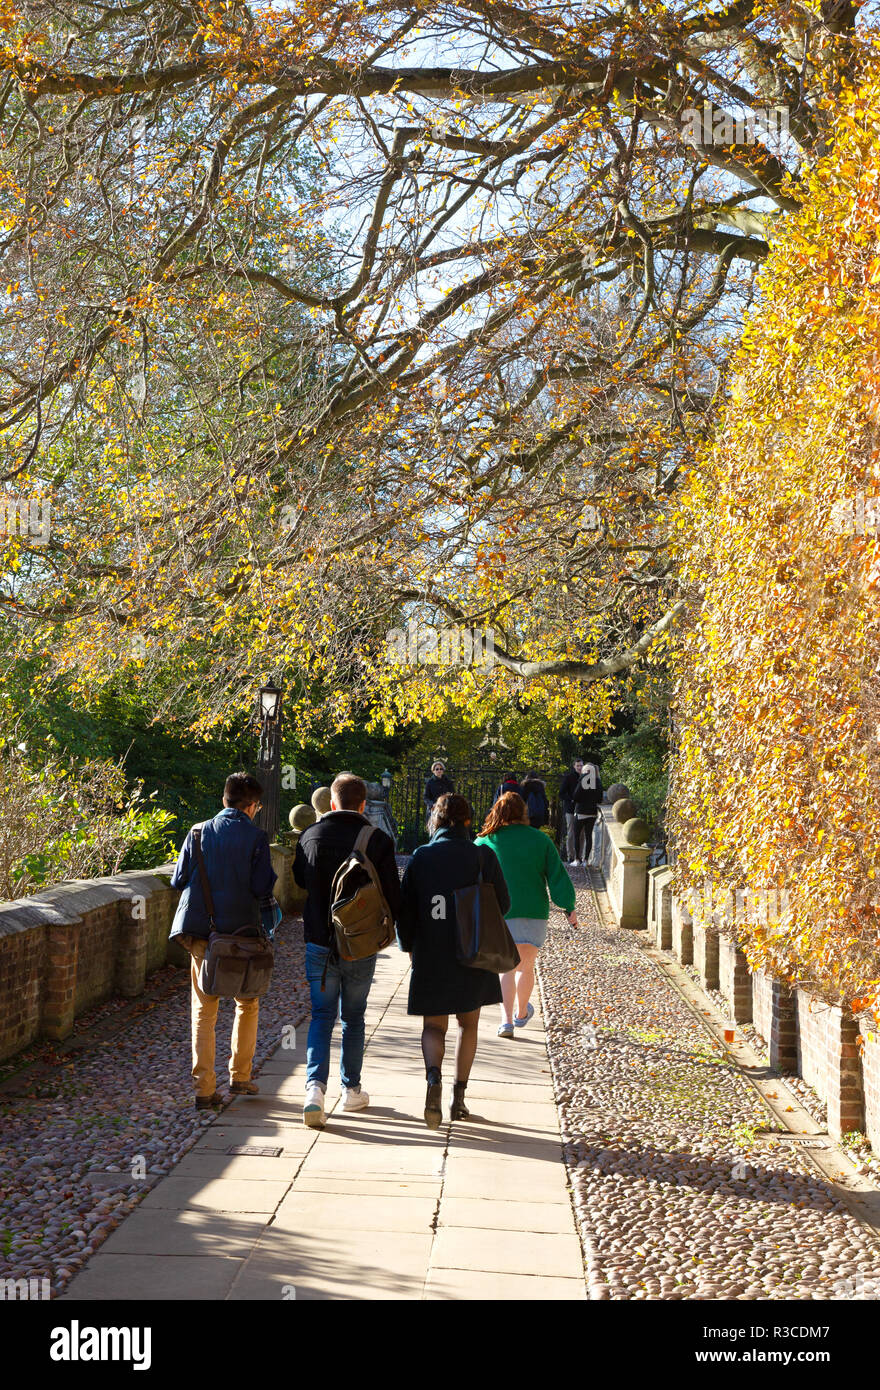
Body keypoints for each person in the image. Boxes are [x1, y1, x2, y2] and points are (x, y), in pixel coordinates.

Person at [293, 773, 401, 1128]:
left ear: (332, 803)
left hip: (319, 940)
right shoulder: (379, 840)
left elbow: (298, 880)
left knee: (321, 1016)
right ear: (363, 804)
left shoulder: (309, 836)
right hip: (360, 943)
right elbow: (392, 895)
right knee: (353, 1018)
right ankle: (352, 1090)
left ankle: (314, 1090)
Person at [397, 793, 510, 1128]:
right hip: (472, 951)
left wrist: (409, 945)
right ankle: (459, 1098)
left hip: (431, 951)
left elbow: (407, 910)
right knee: (468, 1025)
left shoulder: (422, 857)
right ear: (467, 821)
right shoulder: (482, 857)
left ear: (437, 820)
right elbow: (502, 904)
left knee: (434, 1026)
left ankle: (433, 1080)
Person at [169, 773, 277, 1109]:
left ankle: (204, 1090)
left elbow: (178, 879)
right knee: (247, 1003)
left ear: (224, 799)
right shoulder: (256, 838)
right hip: (244, 934)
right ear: (252, 806)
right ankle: (240, 1076)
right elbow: (263, 888)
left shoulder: (198, 832)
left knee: (204, 1012)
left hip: (205, 934)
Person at [475, 792, 577, 1039]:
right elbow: (557, 877)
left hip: (499, 913)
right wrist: (569, 908)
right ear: (523, 812)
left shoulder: (484, 842)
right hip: (534, 912)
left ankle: (506, 1021)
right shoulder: (540, 840)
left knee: (505, 969)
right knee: (526, 966)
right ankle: (522, 1013)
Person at [572, 760, 603, 866]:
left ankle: (577, 859)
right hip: (592, 812)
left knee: (576, 835)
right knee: (588, 836)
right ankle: (586, 860)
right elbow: (600, 799)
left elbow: (575, 796)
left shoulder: (582, 779)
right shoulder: (597, 781)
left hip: (581, 811)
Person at [559, 757, 583, 863]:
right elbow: (561, 793)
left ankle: (580, 856)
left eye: (581, 765)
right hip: (570, 809)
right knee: (571, 832)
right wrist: (571, 799)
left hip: (583, 809)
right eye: (577, 765)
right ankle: (570, 856)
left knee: (581, 833)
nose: (579, 767)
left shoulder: (586, 777)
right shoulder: (568, 778)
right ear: (574, 766)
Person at [424, 760, 454, 830]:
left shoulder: (448, 782)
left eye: (441, 769)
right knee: (433, 830)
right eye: (437, 769)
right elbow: (426, 797)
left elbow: (453, 794)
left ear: (443, 771)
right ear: (433, 771)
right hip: (433, 809)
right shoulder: (430, 782)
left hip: (446, 809)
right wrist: (432, 805)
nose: (439, 770)